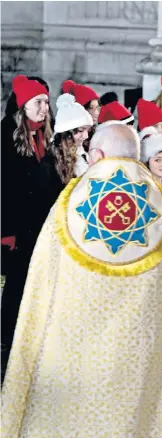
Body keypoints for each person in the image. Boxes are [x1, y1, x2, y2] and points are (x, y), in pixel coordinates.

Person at [1, 122, 162, 438]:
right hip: (143, 353)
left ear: (99, 155)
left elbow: (41, 280)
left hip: (74, 352)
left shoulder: (70, 203)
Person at [1, 75, 52, 383]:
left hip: (39, 223)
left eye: (46, 102)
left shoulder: (44, 135)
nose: (44, 108)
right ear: (23, 107)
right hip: (17, 226)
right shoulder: (6, 135)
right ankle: (7, 339)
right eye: (38, 103)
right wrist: (6, 230)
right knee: (17, 282)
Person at [39, 93, 94, 211]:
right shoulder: (49, 164)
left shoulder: (85, 154)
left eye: (88, 130)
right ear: (66, 134)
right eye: (80, 131)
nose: (86, 136)